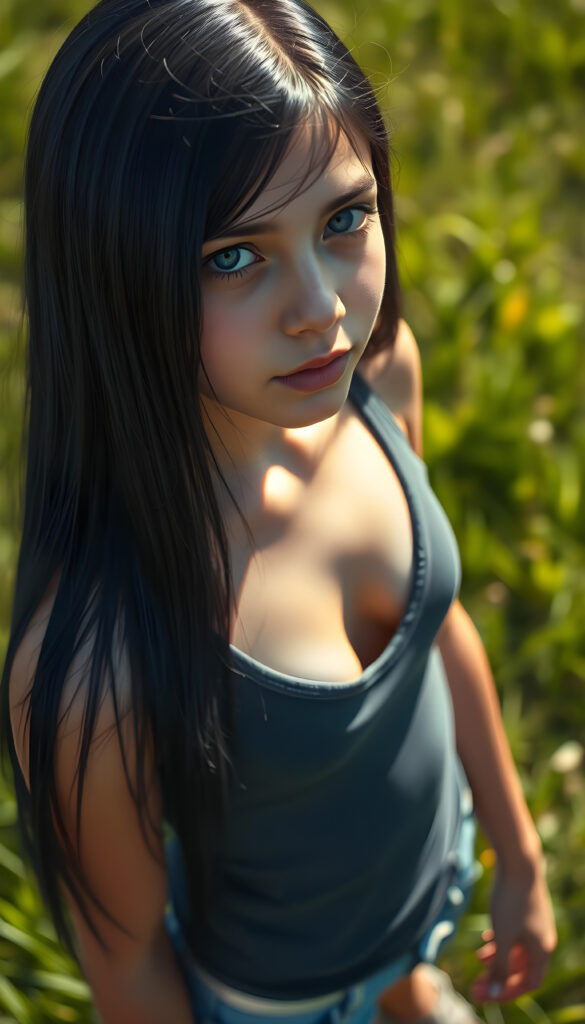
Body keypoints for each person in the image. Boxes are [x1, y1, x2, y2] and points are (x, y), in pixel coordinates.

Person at [0, 1, 557, 1022]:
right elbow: (128, 969)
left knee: (411, 985)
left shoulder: (380, 379)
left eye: (344, 218)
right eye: (233, 256)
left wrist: (516, 856)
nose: (322, 308)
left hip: (424, 879)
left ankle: (408, 985)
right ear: (115, 278)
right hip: (279, 997)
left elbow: (435, 623)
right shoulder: (99, 660)